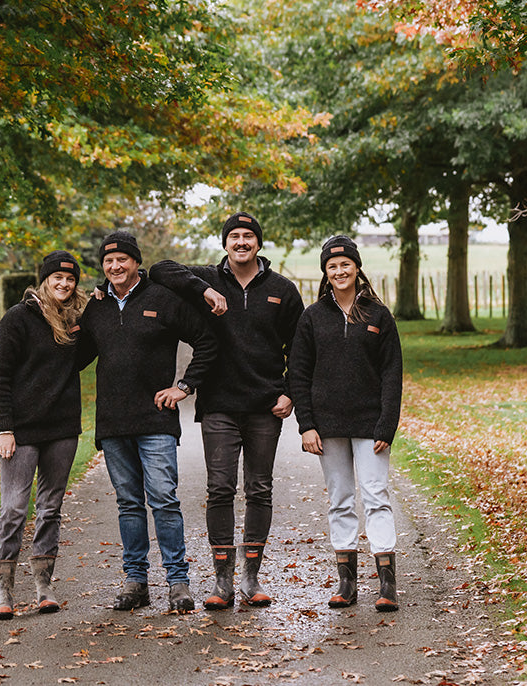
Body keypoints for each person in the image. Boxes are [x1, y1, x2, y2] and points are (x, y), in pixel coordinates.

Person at [149, 211, 304, 610]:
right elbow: (159, 269)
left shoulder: (283, 290)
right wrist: (202, 290)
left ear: (258, 243)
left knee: (260, 488)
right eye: (234, 236)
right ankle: (223, 582)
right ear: (225, 243)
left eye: (248, 236)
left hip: (266, 407)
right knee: (220, 489)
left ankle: (251, 578)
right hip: (218, 404)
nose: (241, 242)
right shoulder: (208, 278)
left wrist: (290, 393)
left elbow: (302, 350)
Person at [79, 230, 218, 613]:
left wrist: (184, 386)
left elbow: (207, 339)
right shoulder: (97, 306)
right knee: (128, 504)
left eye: (122, 259)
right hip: (113, 424)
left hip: (156, 420)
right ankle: (135, 582)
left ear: (136, 262)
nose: (115, 266)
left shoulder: (163, 298)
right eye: (108, 261)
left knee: (164, 501)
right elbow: (74, 356)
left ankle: (178, 582)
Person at [288, 235, 403, 612]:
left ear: (357, 268)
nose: (339, 271)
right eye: (332, 266)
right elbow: (298, 374)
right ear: (325, 272)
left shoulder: (377, 315)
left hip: (370, 424)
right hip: (328, 426)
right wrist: (307, 424)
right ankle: (346, 583)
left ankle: (387, 585)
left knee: (376, 496)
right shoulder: (312, 317)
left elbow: (392, 374)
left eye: (345, 265)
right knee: (340, 500)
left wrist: (387, 425)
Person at [0, 250, 87, 620]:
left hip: (62, 429)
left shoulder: (74, 322)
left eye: (71, 279)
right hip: (22, 431)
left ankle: (44, 586)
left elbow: (84, 356)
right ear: (44, 279)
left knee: (50, 508)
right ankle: (4, 593)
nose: (64, 284)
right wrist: (5, 428)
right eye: (57, 278)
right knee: (13, 509)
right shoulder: (18, 318)